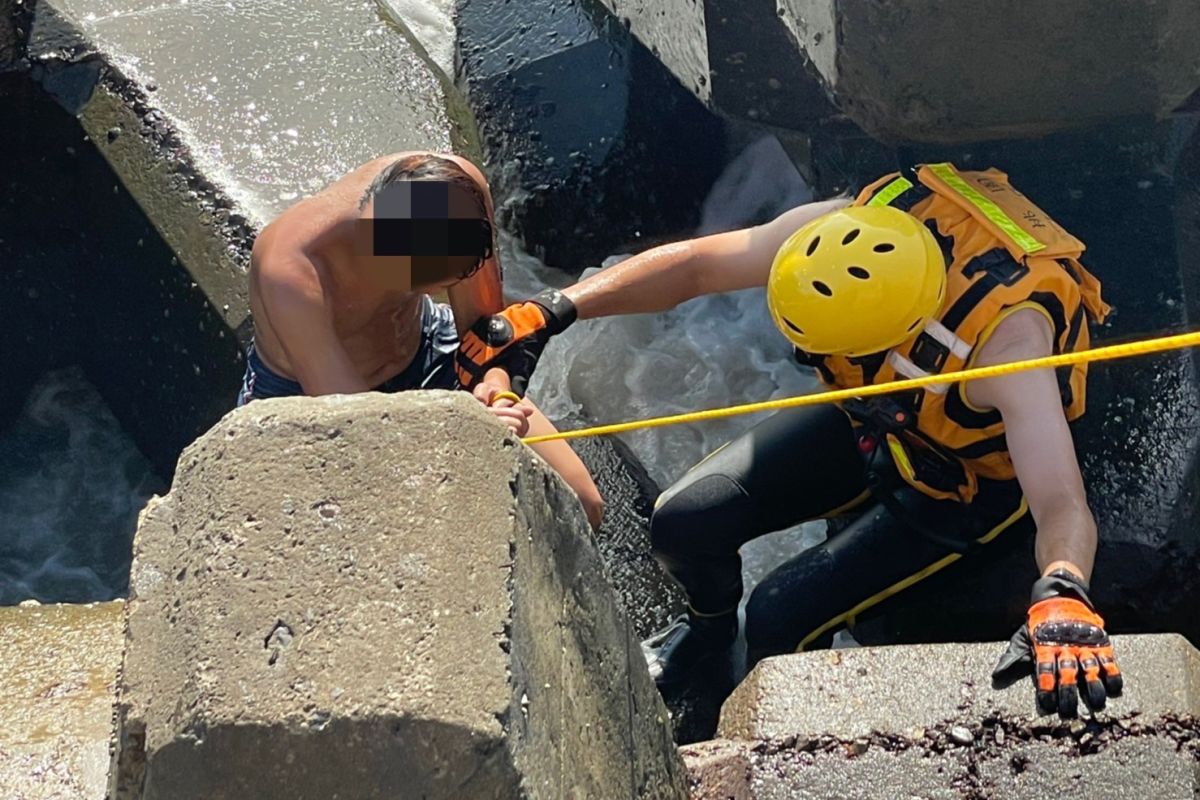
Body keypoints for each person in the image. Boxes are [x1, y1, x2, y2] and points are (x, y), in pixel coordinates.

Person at [455, 162, 1124, 715]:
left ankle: (778, 726)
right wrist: (554, 309)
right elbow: (695, 269)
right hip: (875, 423)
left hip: (958, 484)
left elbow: (1062, 504)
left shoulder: (1007, 348)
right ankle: (709, 634)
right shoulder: (854, 226)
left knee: (779, 616)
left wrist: (1063, 590)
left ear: (890, 335)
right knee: (685, 521)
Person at [240, 152, 603, 530]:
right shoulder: (291, 268)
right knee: (382, 526)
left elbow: (483, 334)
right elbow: (360, 428)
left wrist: (495, 394)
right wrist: (463, 427)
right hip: (310, 393)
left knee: (580, 503)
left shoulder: (457, 190)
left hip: (429, 348)